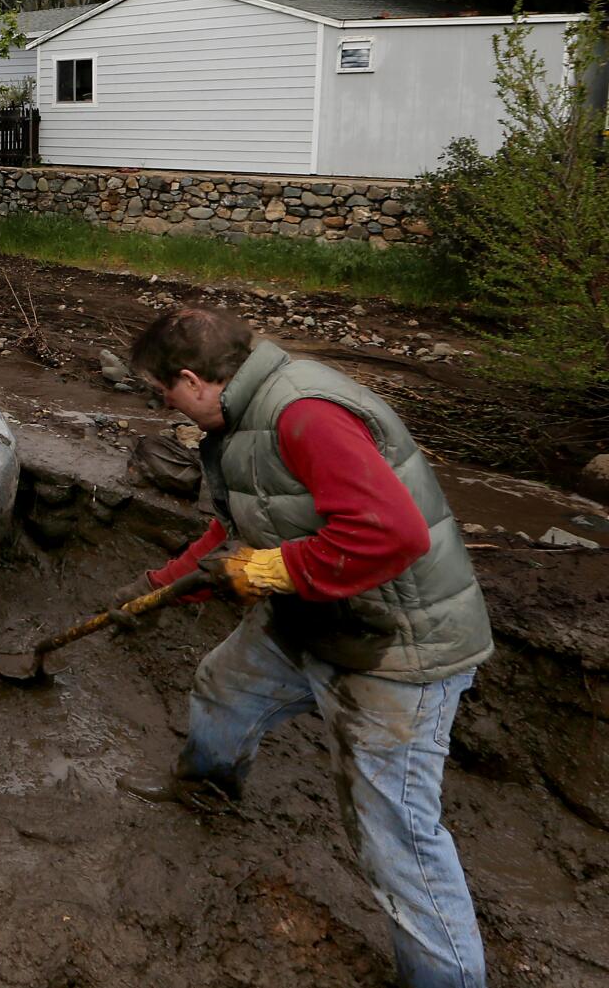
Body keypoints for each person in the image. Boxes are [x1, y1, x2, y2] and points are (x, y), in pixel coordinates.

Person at [115, 306, 490, 988]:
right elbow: (239, 533)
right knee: (223, 685)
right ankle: (207, 791)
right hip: (317, 612)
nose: (160, 404)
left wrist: (265, 571)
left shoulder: (304, 413)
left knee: (395, 838)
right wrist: (158, 584)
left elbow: (392, 535)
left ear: (195, 380)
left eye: (162, 392)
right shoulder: (243, 419)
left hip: (397, 642)